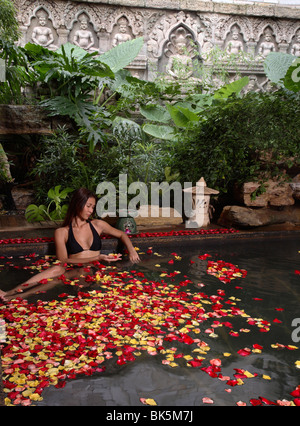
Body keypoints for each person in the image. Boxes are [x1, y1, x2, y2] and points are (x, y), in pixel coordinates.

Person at [0, 188, 140, 302]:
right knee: (56, 269)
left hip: (93, 269)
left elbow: (123, 234)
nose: (91, 211)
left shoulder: (98, 225)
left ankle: (18, 297)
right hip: (75, 268)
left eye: (93, 207)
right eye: (88, 206)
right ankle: (9, 293)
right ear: (78, 204)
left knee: (72, 273)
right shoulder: (62, 232)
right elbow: (64, 260)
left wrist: (132, 250)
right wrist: (97, 258)